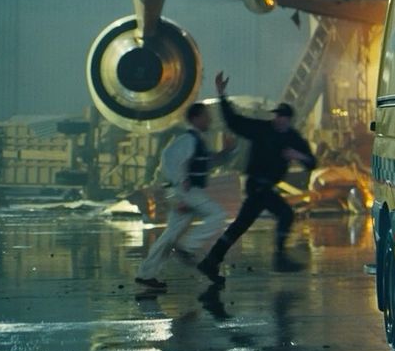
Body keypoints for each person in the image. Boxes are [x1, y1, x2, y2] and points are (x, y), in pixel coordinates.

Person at [195, 72, 316, 285]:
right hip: (257, 186)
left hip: (266, 187)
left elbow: (312, 162)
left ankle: (211, 261)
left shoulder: (293, 138)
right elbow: (234, 122)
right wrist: (222, 95)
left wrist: (298, 156)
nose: (278, 120)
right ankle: (279, 258)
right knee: (284, 214)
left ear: (288, 119)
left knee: (241, 225)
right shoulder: (262, 129)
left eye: (281, 117)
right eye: (276, 116)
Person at [134, 102, 233, 291]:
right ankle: (187, 246)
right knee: (217, 215)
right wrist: (181, 183)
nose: (209, 120)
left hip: (184, 191)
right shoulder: (187, 140)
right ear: (195, 118)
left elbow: (207, 163)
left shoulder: (198, 141)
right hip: (186, 191)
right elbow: (169, 159)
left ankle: (146, 274)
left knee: (170, 235)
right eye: (206, 116)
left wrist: (226, 152)